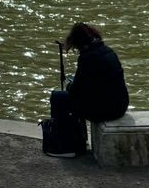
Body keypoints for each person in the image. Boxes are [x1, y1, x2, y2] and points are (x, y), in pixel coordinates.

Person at [47, 21, 129, 154]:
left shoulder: (87, 58)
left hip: (106, 111)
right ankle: (79, 139)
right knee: (76, 99)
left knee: (58, 97)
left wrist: (69, 85)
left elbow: (76, 90)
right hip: (121, 105)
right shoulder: (109, 51)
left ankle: (65, 146)